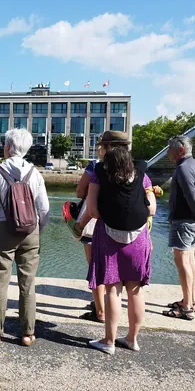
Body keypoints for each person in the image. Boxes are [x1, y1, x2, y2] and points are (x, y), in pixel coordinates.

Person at [85, 133, 157, 355]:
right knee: (135, 291)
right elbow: (152, 209)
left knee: (112, 290)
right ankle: (132, 339)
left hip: (109, 237)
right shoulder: (142, 175)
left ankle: (109, 342)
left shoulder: (99, 174)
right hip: (138, 237)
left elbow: (92, 211)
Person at [0, 128, 50, 347]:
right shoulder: (35, 173)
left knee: (0, 281)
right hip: (31, 231)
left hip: (4, 231)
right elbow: (44, 209)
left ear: (8, 147)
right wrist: (39, 229)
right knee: (27, 283)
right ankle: (27, 333)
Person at [74, 131, 131, 323]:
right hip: (126, 225)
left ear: (107, 147)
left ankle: (100, 311)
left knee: (95, 267)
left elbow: (80, 191)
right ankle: (112, 309)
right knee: (119, 273)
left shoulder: (96, 167)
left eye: (102, 146)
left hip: (94, 222)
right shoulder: (135, 168)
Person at [164, 135, 195, 321]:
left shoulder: (183, 168)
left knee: (182, 261)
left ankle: (186, 307)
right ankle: (190, 299)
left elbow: (192, 197)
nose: (168, 152)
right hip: (193, 221)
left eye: (170, 148)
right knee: (191, 260)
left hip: (184, 221)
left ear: (180, 150)